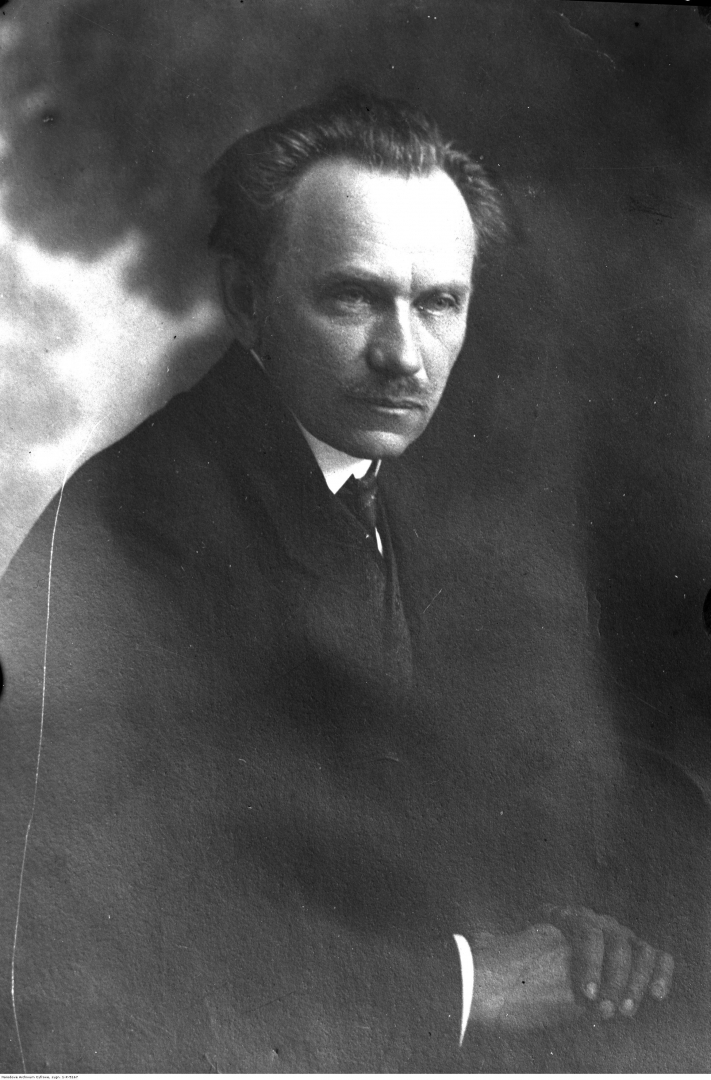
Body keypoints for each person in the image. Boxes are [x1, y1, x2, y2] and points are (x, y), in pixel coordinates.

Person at [0, 86, 708, 1072]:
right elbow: (78, 934)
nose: (402, 355)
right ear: (247, 301)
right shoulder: (140, 526)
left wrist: (560, 928)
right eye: (352, 297)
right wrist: (472, 982)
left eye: (438, 302)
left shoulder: (385, 480)